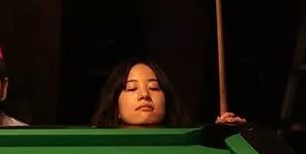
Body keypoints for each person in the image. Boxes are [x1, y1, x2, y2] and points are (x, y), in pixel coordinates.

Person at [91, 59, 245, 127]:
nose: (144, 95)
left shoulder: (194, 144)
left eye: (154, 87)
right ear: (116, 106)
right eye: (131, 88)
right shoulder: (99, 147)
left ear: (166, 99)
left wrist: (222, 133)